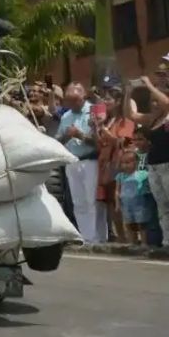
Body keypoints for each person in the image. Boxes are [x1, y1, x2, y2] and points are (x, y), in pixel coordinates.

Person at [57, 83, 104, 243]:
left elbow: (99, 142)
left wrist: (79, 135)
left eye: (75, 100)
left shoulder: (93, 112)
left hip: (90, 160)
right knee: (78, 202)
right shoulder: (66, 116)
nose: (72, 104)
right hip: (72, 162)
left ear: (83, 96)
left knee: (92, 201)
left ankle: (97, 238)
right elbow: (58, 140)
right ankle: (86, 237)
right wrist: (67, 137)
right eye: (69, 100)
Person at [124, 76, 169, 244]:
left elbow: (167, 103)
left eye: (156, 100)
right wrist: (129, 94)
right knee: (163, 207)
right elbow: (131, 114)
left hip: (168, 165)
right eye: (152, 101)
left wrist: (149, 85)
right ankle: (167, 242)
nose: (154, 104)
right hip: (154, 166)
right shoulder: (152, 119)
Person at [95, 87, 136, 242]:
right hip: (105, 165)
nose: (105, 102)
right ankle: (120, 236)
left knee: (120, 200)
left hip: (119, 164)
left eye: (108, 99)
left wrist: (106, 132)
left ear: (118, 102)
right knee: (110, 202)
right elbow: (99, 146)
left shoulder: (125, 121)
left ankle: (129, 236)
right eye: (104, 99)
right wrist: (96, 129)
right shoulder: (106, 121)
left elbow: (123, 142)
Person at [114, 146, 153, 245]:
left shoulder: (143, 174)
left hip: (140, 204)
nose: (125, 165)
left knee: (141, 224)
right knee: (129, 224)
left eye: (128, 162)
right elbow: (117, 191)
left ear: (136, 162)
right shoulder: (120, 176)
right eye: (123, 163)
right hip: (126, 204)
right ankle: (132, 242)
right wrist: (117, 204)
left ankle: (144, 243)